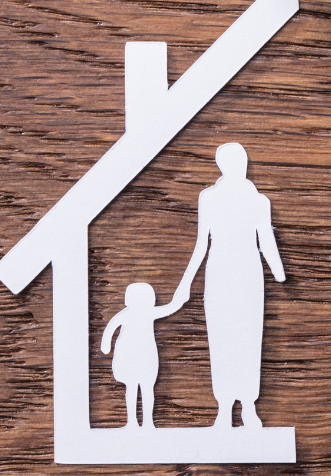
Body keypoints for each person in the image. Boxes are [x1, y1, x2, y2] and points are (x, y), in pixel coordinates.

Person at [172, 141, 286, 428]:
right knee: (221, 338)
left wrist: (278, 270)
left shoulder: (259, 201)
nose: (238, 165)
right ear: (222, 166)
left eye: (241, 160)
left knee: (248, 338)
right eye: (232, 161)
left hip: (248, 272)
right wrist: (185, 283)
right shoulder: (208, 198)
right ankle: (224, 408)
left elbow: (266, 239)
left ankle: (248, 406)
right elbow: (201, 243)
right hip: (220, 271)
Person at [100, 281, 183, 428]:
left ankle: (146, 422)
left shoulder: (145, 313)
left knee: (143, 389)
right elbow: (111, 329)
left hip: (145, 357)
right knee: (138, 388)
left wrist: (180, 299)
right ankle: (134, 421)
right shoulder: (133, 314)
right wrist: (106, 345)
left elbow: (171, 307)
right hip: (133, 357)